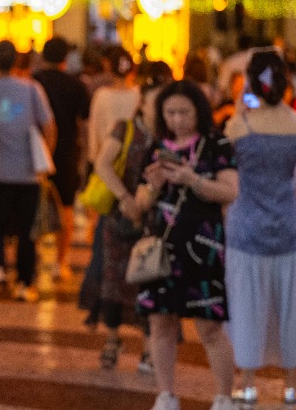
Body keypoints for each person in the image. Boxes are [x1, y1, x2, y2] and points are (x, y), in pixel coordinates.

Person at [124, 81, 238, 410]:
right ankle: (166, 393)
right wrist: (154, 187)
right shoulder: (158, 147)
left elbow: (230, 191)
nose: (177, 120)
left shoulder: (216, 144)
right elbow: (143, 200)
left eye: (184, 112)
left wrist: (194, 180)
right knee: (160, 321)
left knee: (209, 324)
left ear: (198, 111)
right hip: (162, 246)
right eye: (170, 113)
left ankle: (224, 397)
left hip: (203, 244)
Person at [224, 50, 296, 406]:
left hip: (246, 226)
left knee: (247, 307)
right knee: (292, 307)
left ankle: (247, 383)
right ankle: (292, 386)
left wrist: (240, 105)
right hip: (287, 226)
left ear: (251, 81)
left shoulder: (240, 126)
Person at [86, 75, 167, 372]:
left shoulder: (169, 137)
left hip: (154, 220)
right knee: (113, 279)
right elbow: (102, 163)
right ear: (143, 101)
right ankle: (112, 337)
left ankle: (149, 346)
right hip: (119, 218)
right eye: (156, 101)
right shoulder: (127, 128)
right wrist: (125, 198)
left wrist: (147, 200)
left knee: (150, 278)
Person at [0, 40, 56, 304]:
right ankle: (24, 282)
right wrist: (45, 159)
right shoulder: (32, 89)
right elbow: (49, 127)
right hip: (28, 172)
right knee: (26, 230)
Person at [33, 37, 90, 280]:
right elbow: (84, 124)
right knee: (66, 207)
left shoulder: (33, 82)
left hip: (36, 152)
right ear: (66, 58)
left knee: (33, 206)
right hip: (66, 152)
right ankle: (60, 260)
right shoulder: (76, 86)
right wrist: (86, 155)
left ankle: (34, 255)